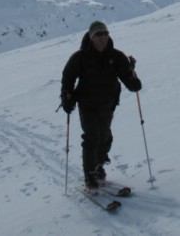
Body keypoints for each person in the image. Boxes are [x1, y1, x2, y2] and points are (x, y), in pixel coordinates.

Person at [60, 21, 142, 189]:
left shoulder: (116, 56)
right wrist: (66, 98)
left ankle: (98, 165)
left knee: (105, 137)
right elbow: (68, 77)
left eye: (105, 33)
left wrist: (133, 83)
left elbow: (126, 75)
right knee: (92, 136)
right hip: (87, 103)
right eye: (99, 34)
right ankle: (89, 174)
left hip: (107, 102)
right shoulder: (80, 57)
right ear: (91, 37)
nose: (103, 37)